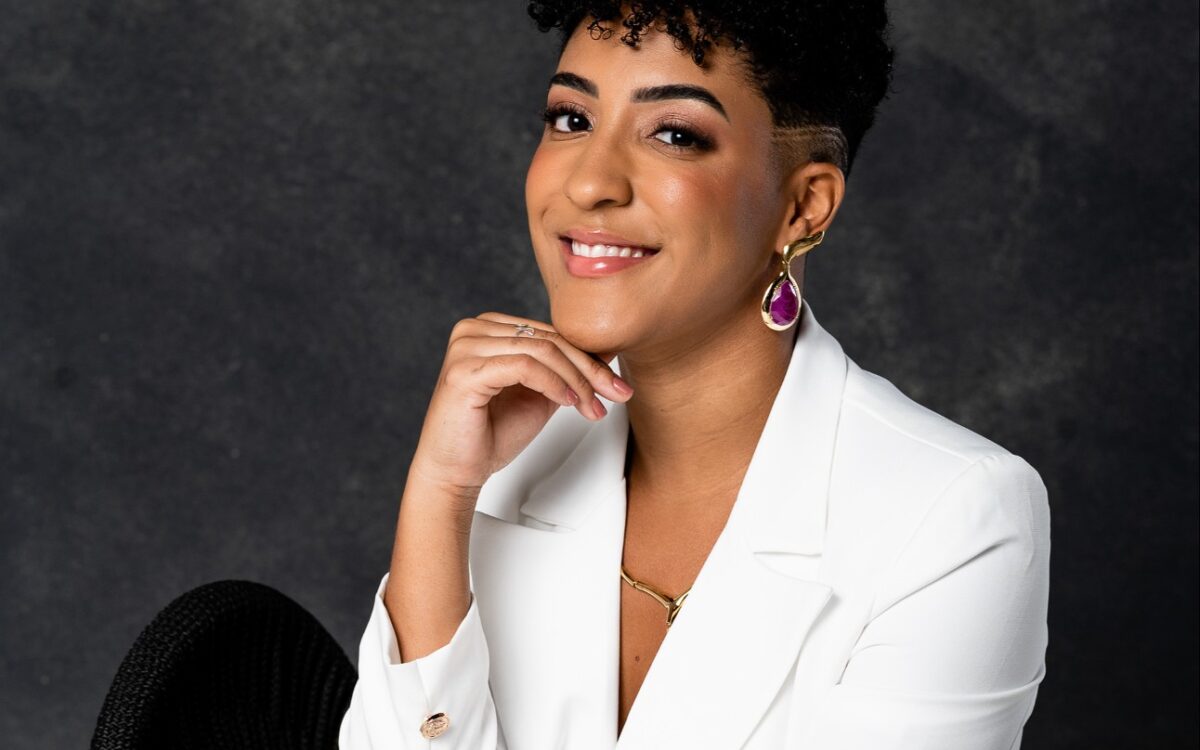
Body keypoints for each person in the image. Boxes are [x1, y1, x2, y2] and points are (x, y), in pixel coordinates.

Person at [339, 1, 1051, 748]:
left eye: (674, 134)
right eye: (571, 119)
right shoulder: (500, 460)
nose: (589, 183)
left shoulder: (953, 518)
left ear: (804, 206)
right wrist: (439, 494)